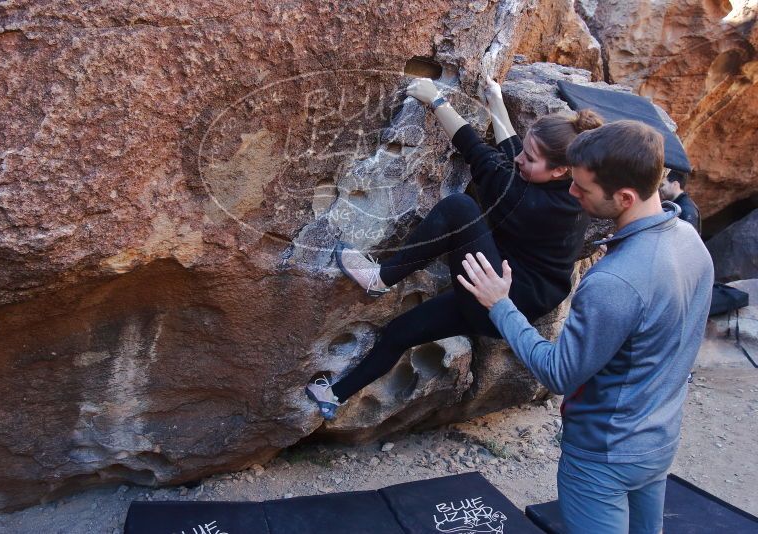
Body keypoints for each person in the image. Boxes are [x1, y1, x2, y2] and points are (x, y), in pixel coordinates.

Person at [456, 120, 714, 534]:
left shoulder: (615, 281)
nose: (572, 194)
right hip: (658, 441)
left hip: (603, 456)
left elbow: (559, 373)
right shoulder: (689, 239)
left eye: (583, 188)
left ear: (625, 197)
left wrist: (500, 304)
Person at [305, 75, 604, 420]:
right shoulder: (563, 187)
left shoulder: (544, 207)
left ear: (560, 171)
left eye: (532, 157)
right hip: (500, 289)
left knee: (459, 209)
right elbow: (512, 162)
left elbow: (483, 159)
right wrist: (497, 105)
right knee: (400, 332)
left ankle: (381, 278)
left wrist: (436, 102)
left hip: (502, 297)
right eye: (525, 149)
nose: (522, 157)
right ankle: (333, 397)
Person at [659, 169, 701, 234]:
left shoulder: (687, 210)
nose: (660, 188)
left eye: (663, 185)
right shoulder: (676, 204)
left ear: (675, 184)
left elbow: (689, 240)